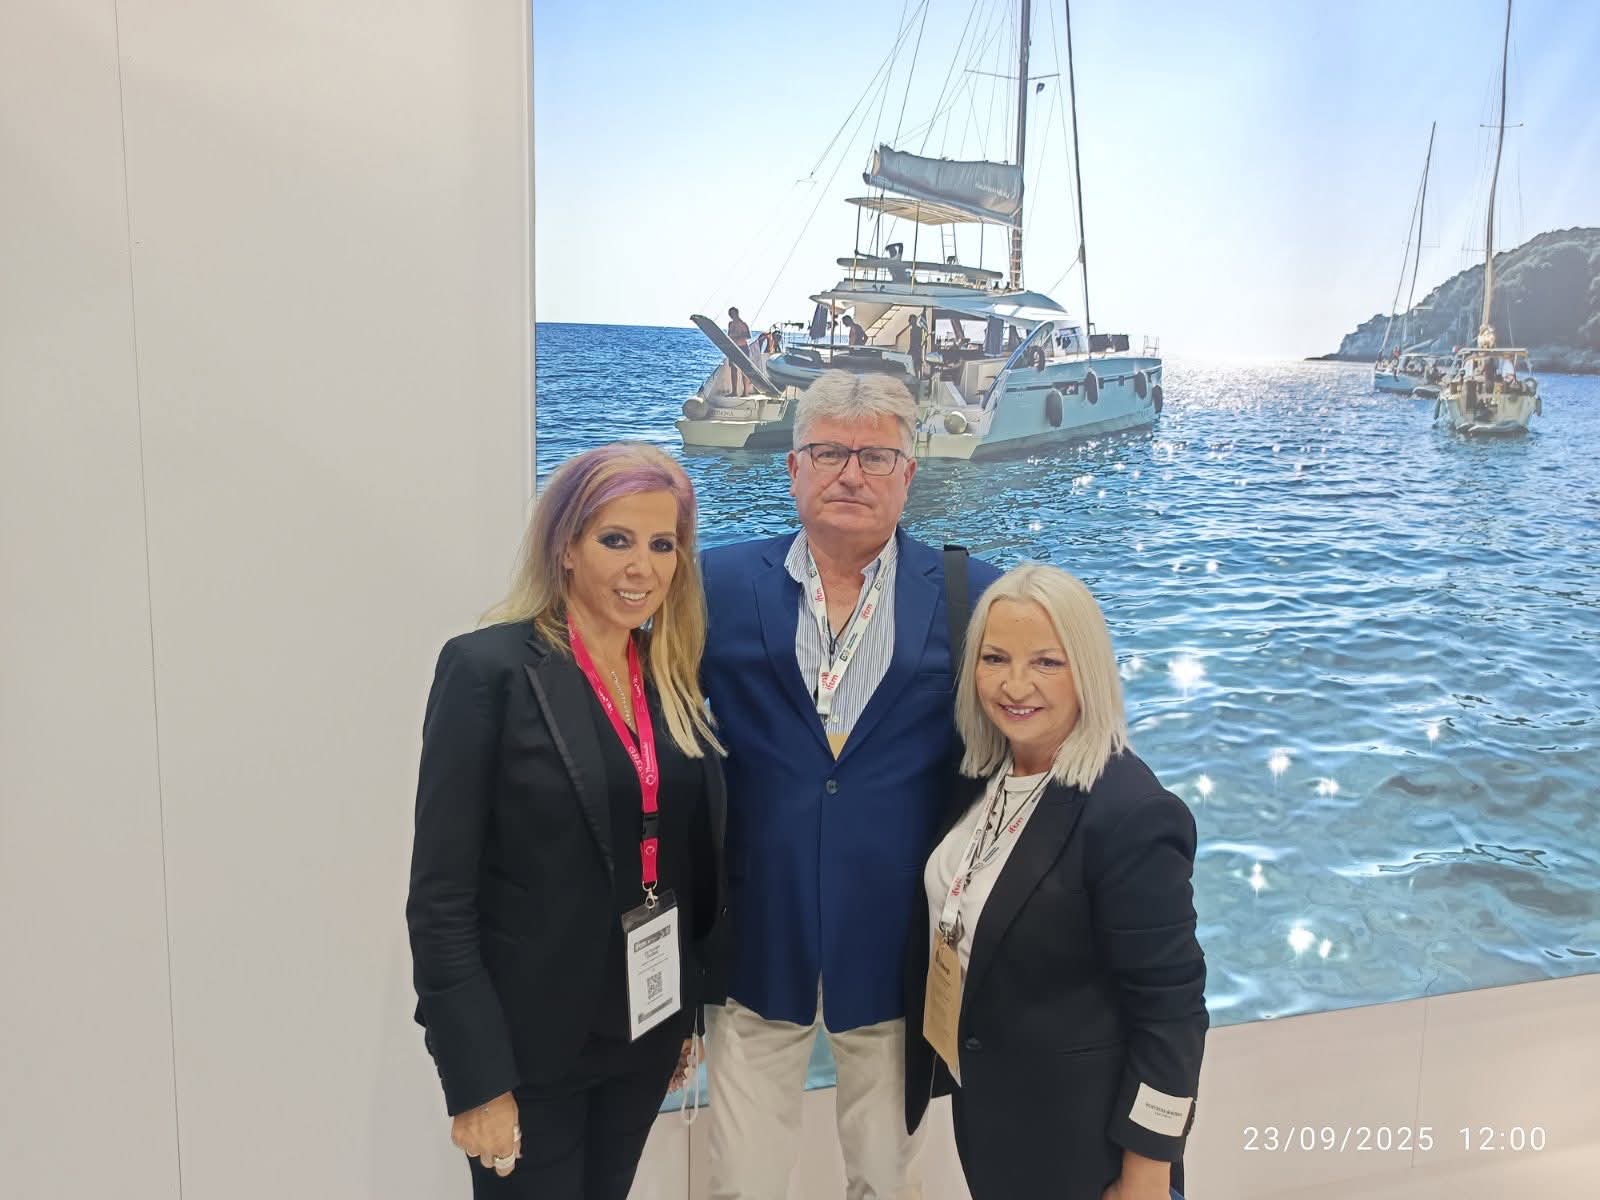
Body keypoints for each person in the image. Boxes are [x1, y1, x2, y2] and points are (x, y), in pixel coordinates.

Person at [700, 371, 1001, 1200]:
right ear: (793, 467)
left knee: (888, 1177)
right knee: (743, 1180)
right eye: (829, 452)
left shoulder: (975, 595)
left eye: (876, 457)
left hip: (900, 937)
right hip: (756, 930)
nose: (851, 474)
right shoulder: (713, 585)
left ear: (910, 474)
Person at [407, 443, 729, 1199]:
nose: (641, 568)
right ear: (566, 547)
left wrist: (683, 1012)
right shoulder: (488, 670)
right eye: (616, 540)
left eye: (663, 545)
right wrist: (476, 1080)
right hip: (529, 1053)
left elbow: (680, 859)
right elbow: (441, 897)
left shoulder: (670, 677)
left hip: (642, 1034)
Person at [905, 563, 1207, 1200]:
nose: (1015, 685)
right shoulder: (985, 776)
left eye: (1046, 662)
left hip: (1085, 1148)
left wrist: (1148, 1170)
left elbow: (1172, 1012)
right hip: (995, 1123)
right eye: (995, 658)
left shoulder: (1130, 813)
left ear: (1087, 670)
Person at [727, 307, 753, 396]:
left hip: (742, 348)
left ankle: (745, 392)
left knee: (744, 370)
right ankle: (734, 392)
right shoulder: (730, 324)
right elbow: (728, 335)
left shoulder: (743, 324)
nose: (733, 315)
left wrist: (738, 336)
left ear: (737, 314)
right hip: (733, 348)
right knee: (733, 369)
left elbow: (748, 336)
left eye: (734, 313)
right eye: (731, 314)